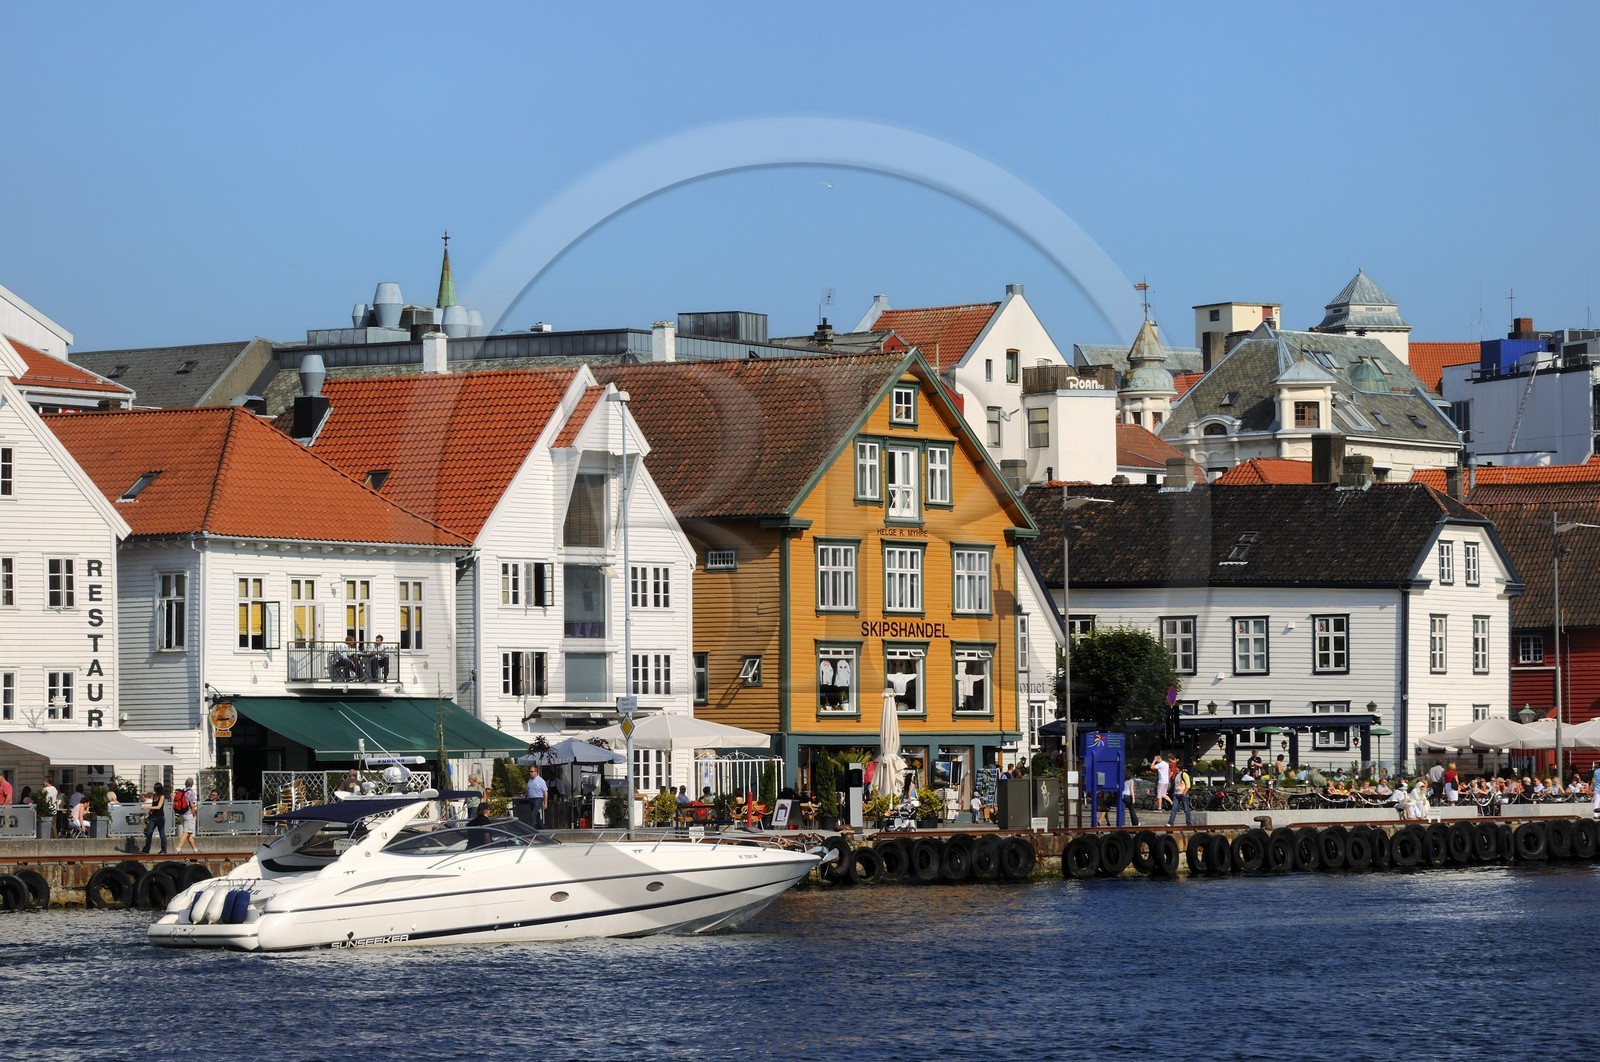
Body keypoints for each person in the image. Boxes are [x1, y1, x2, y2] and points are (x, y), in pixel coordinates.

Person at [173, 777, 200, 853]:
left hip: (181, 813)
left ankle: (195, 849)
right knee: (186, 832)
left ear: (185, 784)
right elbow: (192, 805)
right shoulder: (191, 792)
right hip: (188, 814)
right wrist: (194, 814)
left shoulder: (182, 791)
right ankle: (178, 849)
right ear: (192, 784)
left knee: (189, 833)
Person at [142, 782, 168, 854]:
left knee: (161, 833)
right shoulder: (154, 795)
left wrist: (147, 807)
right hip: (153, 817)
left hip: (160, 817)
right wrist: (149, 813)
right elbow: (153, 806)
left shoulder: (162, 796)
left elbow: (158, 806)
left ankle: (163, 849)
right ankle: (146, 849)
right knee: (149, 832)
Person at [1168, 758, 1193, 827]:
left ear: (1179, 768)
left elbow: (1188, 785)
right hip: (1176, 794)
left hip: (1182, 794)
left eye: (1176, 767)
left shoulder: (1184, 774)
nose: (1175, 768)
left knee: (1186, 809)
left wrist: (1183, 793)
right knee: (1174, 809)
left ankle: (1189, 823)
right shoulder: (1176, 775)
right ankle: (1170, 823)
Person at [525, 765, 548, 829]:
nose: (530, 773)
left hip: (538, 798)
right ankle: (541, 827)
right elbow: (527, 789)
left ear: (536, 772)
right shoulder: (530, 780)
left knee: (533, 814)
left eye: (532, 771)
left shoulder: (541, 781)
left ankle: (532, 828)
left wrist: (545, 802)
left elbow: (545, 791)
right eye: (530, 771)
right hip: (531, 799)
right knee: (536, 814)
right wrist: (525, 796)